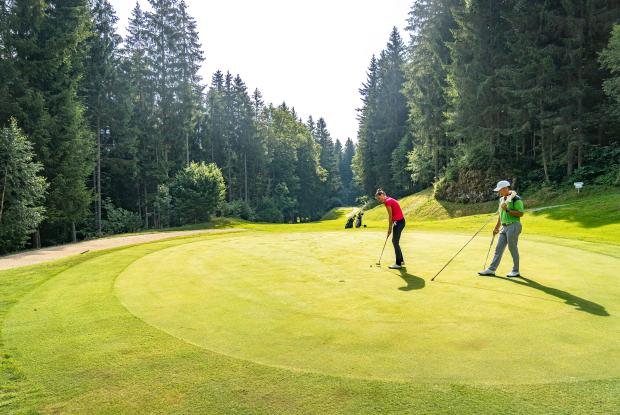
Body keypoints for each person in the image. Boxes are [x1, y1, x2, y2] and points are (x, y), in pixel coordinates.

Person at [479, 180, 524, 278]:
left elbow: (521, 213)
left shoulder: (516, 199)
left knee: (512, 248)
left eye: (500, 190)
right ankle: (491, 269)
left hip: (514, 225)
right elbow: (501, 214)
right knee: (498, 249)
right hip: (504, 226)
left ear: (505, 189)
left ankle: (515, 271)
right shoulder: (501, 200)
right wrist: (496, 227)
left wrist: (507, 209)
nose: (498, 192)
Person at [374, 189, 405, 269]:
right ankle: (401, 261)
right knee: (395, 242)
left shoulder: (387, 202)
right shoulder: (389, 199)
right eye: (378, 199)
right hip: (400, 222)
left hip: (398, 223)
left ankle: (398, 263)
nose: (379, 200)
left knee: (395, 242)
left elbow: (390, 216)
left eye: (379, 198)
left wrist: (389, 229)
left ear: (382, 195)